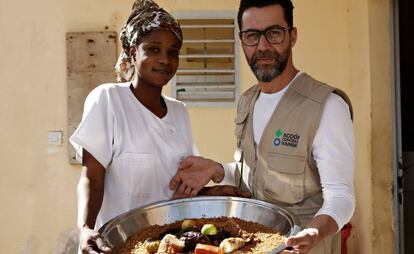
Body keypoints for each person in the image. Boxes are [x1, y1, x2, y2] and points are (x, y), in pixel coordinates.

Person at [169, 0, 355, 253]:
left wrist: (314, 232)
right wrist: (218, 170)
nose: (263, 46)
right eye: (252, 36)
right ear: (242, 40)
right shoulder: (247, 100)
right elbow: (258, 174)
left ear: (293, 36)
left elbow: (341, 196)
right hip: (252, 244)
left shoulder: (327, 106)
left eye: (274, 33)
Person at [69, 1, 196, 253]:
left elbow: (179, 186)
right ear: (132, 52)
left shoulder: (180, 113)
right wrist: (84, 228)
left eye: (173, 51)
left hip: (171, 245)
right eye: (153, 49)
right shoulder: (108, 100)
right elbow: (92, 176)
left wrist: (220, 189)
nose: (165, 59)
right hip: (120, 245)